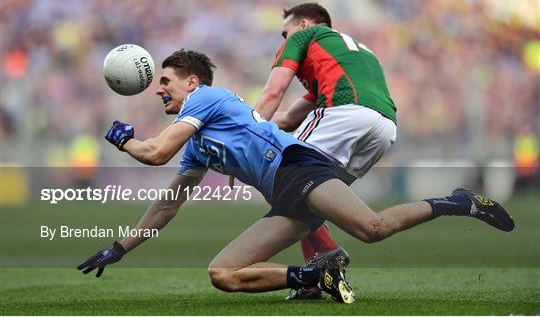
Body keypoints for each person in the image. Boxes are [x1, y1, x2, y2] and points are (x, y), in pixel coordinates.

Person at [78, 49, 514, 304]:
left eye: (166, 81)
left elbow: (154, 153)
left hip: (298, 167)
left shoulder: (206, 99)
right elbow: (167, 205)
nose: (159, 89)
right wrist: (120, 247)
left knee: (372, 228)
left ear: (192, 83)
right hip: (284, 194)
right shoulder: (196, 142)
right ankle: (315, 275)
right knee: (223, 274)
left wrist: (125, 141)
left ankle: (458, 201)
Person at [254, 2, 398, 299]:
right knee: (312, 197)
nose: (284, 40)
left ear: (305, 25)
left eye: (286, 32)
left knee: (284, 175)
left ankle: (330, 256)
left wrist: (244, 136)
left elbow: (273, 93)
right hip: (384, 128)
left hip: (345, 113)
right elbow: (289, 118)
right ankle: (311, 282)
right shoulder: (352, 54)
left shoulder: (304, 37)